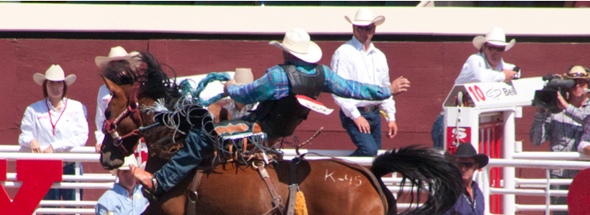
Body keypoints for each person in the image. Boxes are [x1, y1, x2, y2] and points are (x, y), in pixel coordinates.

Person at [131, 28, 410, 197]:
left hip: (256, 131)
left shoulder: (279, 76)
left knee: (201, 136)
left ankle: (160, 181)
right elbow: (353, 88)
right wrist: (386, 90)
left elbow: (248, 94)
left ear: (287, 54)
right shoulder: (323, 75)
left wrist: (231, 87)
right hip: (279, 134)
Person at [531, 65, 590, 215]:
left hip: (588, 178)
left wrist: (566, 107)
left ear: (589, 84)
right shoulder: (553, 109)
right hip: (560, 176)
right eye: (573, 81)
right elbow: (536, 140)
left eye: (582, 81)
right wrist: (541, 111)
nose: (577, 86)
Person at [18, 64, 88, 215]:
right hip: (46, 167)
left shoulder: (76, 107)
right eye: (52, 84)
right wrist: (31, 141)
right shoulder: (34, 110)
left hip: (71, 165)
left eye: (59, 83)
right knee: (50, 213)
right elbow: (24, 134)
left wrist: (54, 147)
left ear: (65, 86)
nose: (56, 87)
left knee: (75, 211)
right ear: (45, 86)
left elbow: (81, 136)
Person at [331, 7, 409, 157]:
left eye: (368, 28)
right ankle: (339, 173)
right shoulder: (344, 52)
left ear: (374, 29)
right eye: (360, 28)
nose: (364, 32)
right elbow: (338, 89)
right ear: (354, 28)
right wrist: (356, 116)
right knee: (369, 151)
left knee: (373, 157)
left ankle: (351, 176)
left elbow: (384, 88)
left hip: (374, 113)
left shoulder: (379, 56)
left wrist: (390, 117)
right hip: (355, 111)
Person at [431, 27, 519, 150]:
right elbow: (481, 76)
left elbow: (516, 70)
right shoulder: (475, 59)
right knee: (447, 165)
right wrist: (504, 75)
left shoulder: (499, 64)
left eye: (500, 48)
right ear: (483, 47)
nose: (495, 51)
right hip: (452, 122)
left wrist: (512, 73)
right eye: (492, 47)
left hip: (470, 124)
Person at [95, 46, 140, 153]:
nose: (118, 68)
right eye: (114, 64)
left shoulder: (136, 87)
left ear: (127, 66)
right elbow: (100, 119)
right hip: (111, 139)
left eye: (121, 63)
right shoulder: (103, 90)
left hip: (134, 139)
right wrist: (101, 139)